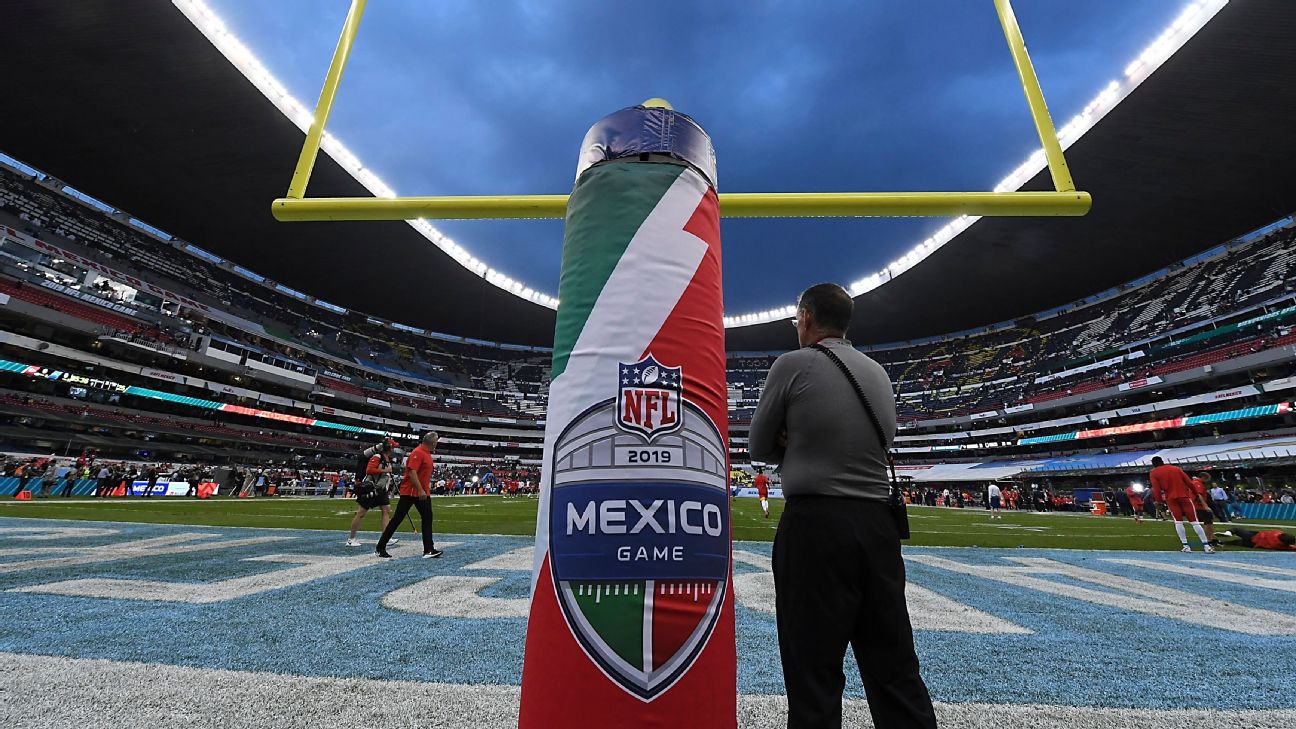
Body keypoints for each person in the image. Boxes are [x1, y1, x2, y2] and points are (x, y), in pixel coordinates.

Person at [749, 283, 936, 729]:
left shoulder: (791, 364)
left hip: (815, 525)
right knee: (894, 668)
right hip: (876, 528)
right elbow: (881, 440)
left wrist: (795, 439)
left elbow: (758, 444)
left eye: (797, 319)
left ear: (807, 319)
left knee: (812, 671)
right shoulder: (876, 372)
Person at [375, 432, 442, 560]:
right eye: (436, 442)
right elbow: (412, 472)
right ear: (432, 443)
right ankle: (380, 547)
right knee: (398, 519)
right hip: (412, 492)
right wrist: (420, 490)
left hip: (420, 491)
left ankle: (428, 549)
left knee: (426, 517)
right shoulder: (418, 452)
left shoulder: (425, 453)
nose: (436, 445)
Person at [1149, 456, 1214, 553]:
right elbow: (1189, 482)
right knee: (1194, 522)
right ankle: (1206, 546)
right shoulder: (1176, 469)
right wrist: (1195, 493)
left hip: (1171, 498)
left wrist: (1159, 502)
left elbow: (1156, 489)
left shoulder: (1154, 473)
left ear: (1153, 464)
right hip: (1184, 497)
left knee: (1178, 522)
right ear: (1163, 461)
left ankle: (1186, 546)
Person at [346, 442, 397, 547]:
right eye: (393, 447)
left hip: (380, 490)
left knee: (386, 510)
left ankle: (385, 537)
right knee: (361, 513)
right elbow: (369, 470)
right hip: (370, 488)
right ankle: (351, 539)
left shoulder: (386, 458)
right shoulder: (377, 456)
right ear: (388, 449)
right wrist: (385, 470)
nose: (394, 450)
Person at [1190, 472, 1217, 545]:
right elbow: (1198, 495)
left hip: (1197, 505)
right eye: (1208, 479)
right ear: (1203, 477)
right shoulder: (1197, 483)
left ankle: (1210, 537)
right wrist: (1205, 506)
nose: (1208, 481)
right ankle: (1209, 539)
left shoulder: (1195, 482)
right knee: (1208, 521)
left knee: (1208, 520)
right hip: (1199, 506)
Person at [1217, 528, 1296, 551]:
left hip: (1253, 536)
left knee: (1237, 530)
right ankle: (1221, 543)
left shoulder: (1276, 533)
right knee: (1236, 542)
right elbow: (1291, 548)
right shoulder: (1278, 545)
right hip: (1253, 544)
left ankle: (1229, 532)